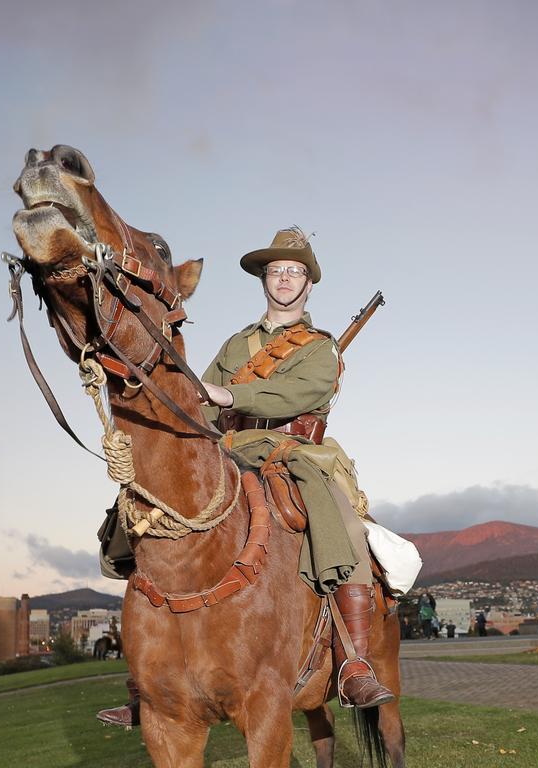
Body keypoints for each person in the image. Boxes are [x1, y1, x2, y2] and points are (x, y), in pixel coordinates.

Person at [97, 227, 393, 725]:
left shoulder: (321, 348)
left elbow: (295, 396)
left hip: (290, 451)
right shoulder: (238, 343)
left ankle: (353, 663)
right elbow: (195, 393)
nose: (284, 278)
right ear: (263, 279)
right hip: (227, 448)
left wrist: (231, 397)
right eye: (275, 270)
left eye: (294, 271)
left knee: (339, 521)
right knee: (140, 515)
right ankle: (146, 684)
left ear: (308, 283)